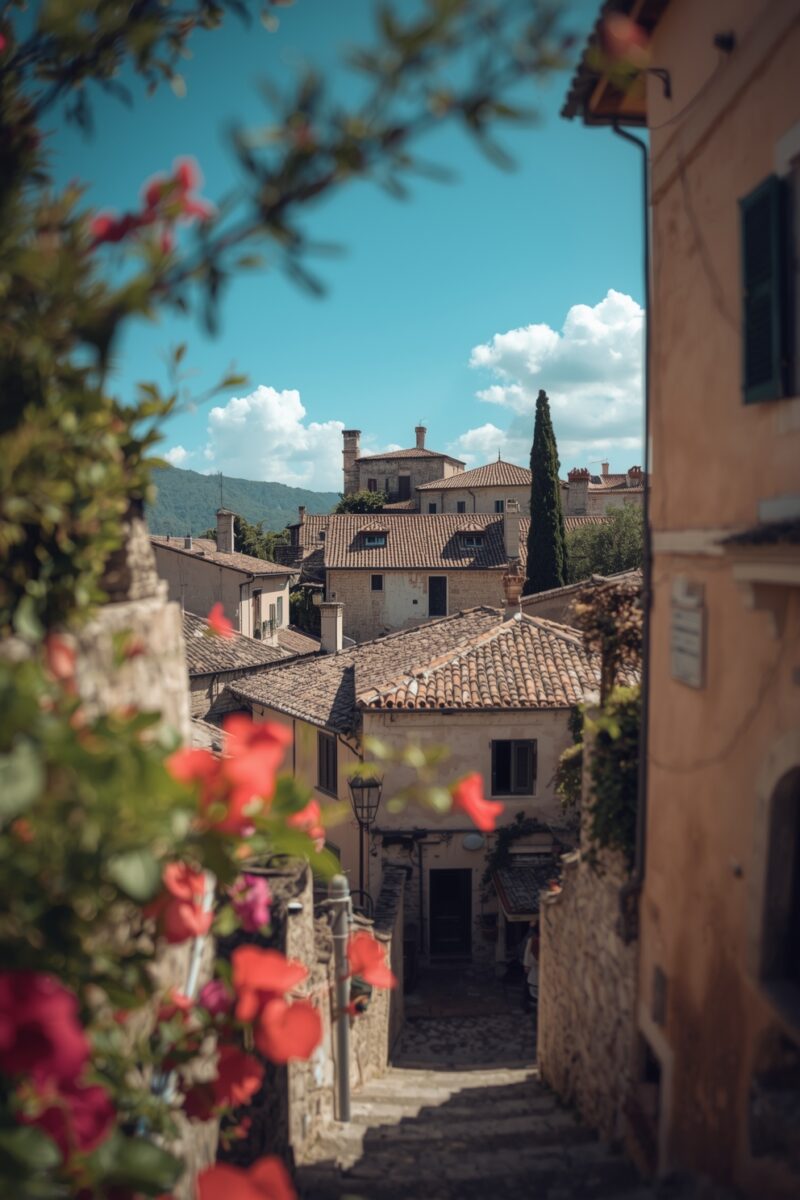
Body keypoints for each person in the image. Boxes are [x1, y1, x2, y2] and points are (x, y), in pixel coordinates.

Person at [522, 917, 540, 1014]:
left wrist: (526, 964)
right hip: (534, 968)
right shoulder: (532, 939)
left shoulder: (532, 940)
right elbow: (528, 953)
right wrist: (527, 965)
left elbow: (527, 953)